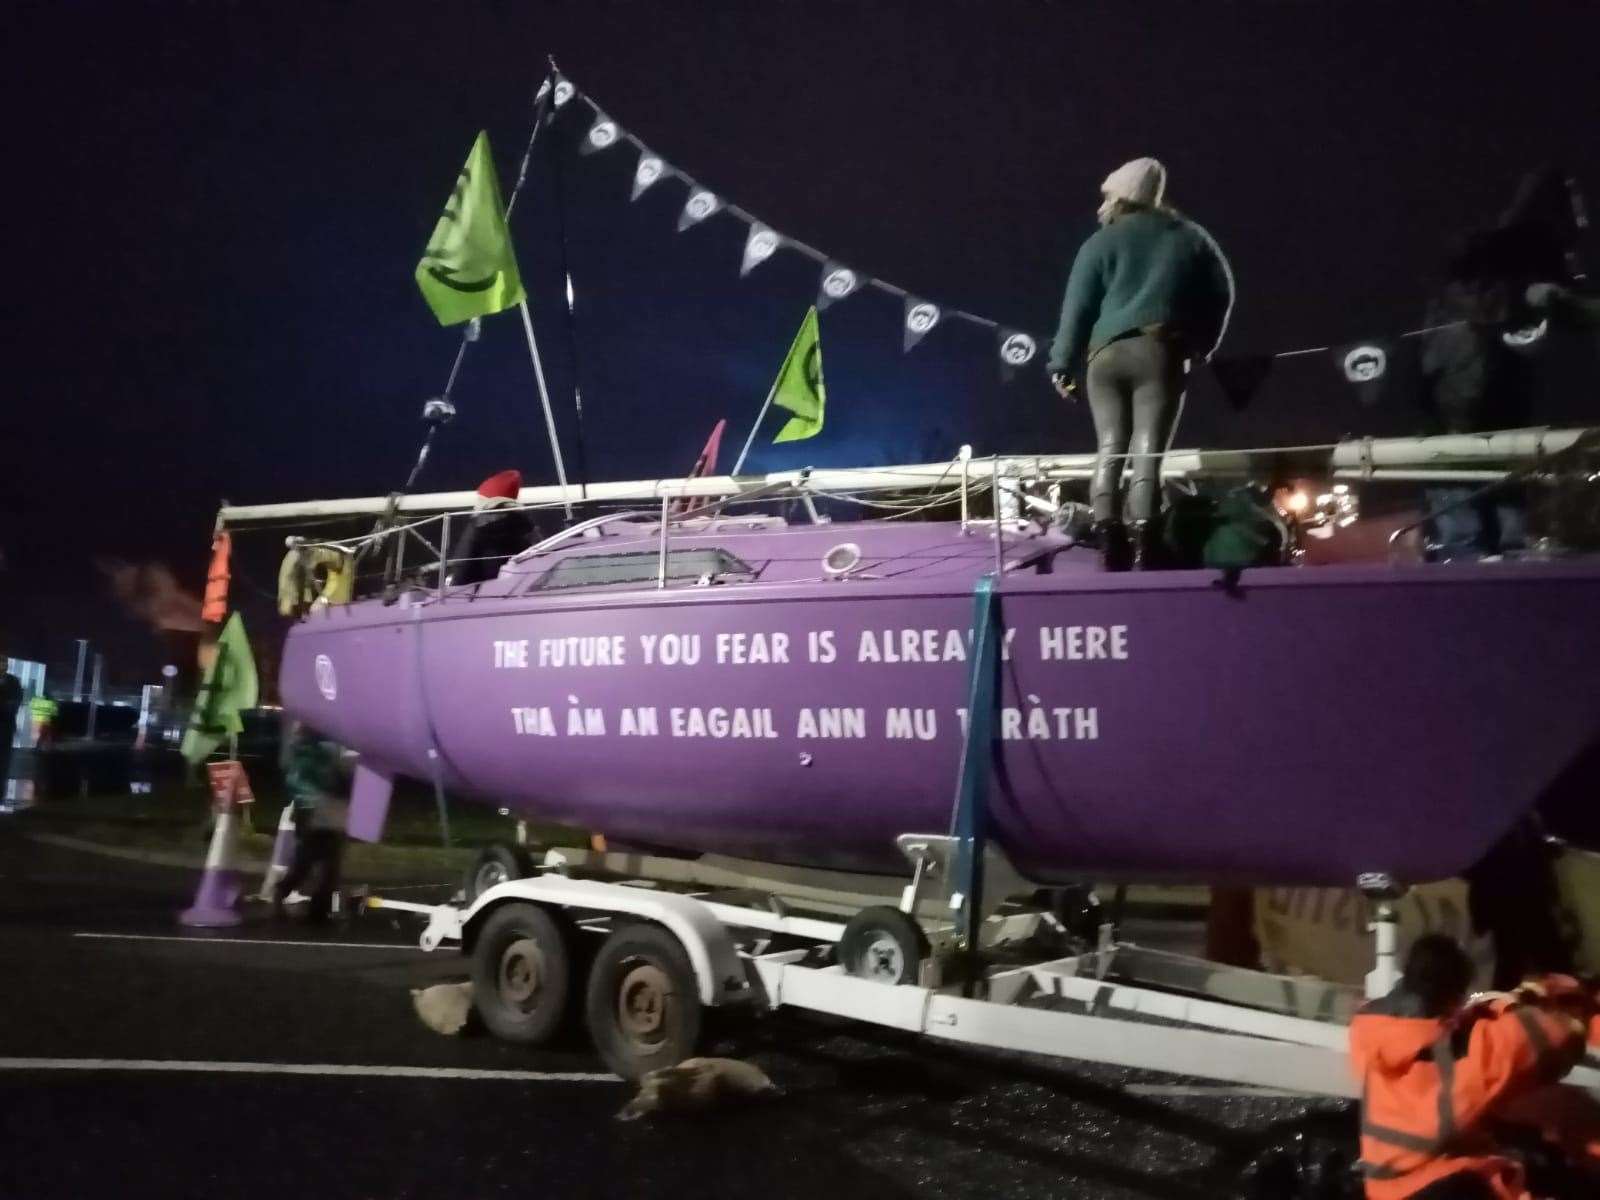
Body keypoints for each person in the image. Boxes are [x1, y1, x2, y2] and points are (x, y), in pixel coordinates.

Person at [1048, 157, 1234, 570]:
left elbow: (1076, 310)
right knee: (1148, 453)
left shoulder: (1100, 243)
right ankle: (1147, 544)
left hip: (1104, 357)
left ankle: (1108, 540)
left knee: (1110, 447)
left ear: (1120, 196)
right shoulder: (1190, 237)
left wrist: (1062, 365)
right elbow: (1222, 293)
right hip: (1160, 350)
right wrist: (1203, 344)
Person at [1417, 167, 1587, 561]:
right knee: (1464, 540)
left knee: (1504, 538)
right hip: (1454, 427)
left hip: (1503, 419)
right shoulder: (1479, 278)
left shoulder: (1523, 274)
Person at [1349, 934, 1600, 1199]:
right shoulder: (1468, 1053)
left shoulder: (1372, 1032)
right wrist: (1518, 1002)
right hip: (1438, 1185)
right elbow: (1555, 1035)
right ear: (1455, 998)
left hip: (1384, 1190)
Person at [273, 721, 346, 922]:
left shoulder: (313, 751)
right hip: (314, 810)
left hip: (325, 808)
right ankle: (287, 892)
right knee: (312, 858)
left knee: (327, 861)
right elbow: (302, 784)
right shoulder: (308, 754)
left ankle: (318, 906)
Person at [449, 469, 537, 586]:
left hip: (481, 597)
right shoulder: (526, 526)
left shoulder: (478, 526)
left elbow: (462, 566)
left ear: (486, 502)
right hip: (519, 593)